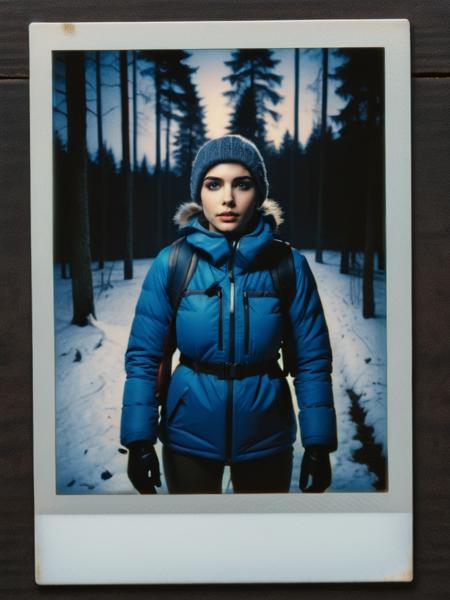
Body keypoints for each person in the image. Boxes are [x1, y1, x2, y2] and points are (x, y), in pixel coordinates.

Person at [120, 134, 337, 494]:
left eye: (242, 184)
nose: (228, 198)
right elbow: (146, 356)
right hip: (188, 436)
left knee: (261, 547)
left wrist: (318, 443)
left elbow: (312, 360)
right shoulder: (173, 263)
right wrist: (139, 439)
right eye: (213, 184)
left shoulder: (289, 266)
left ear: (259, 193)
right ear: (199, 193)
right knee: (193, 544)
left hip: (266, 438)